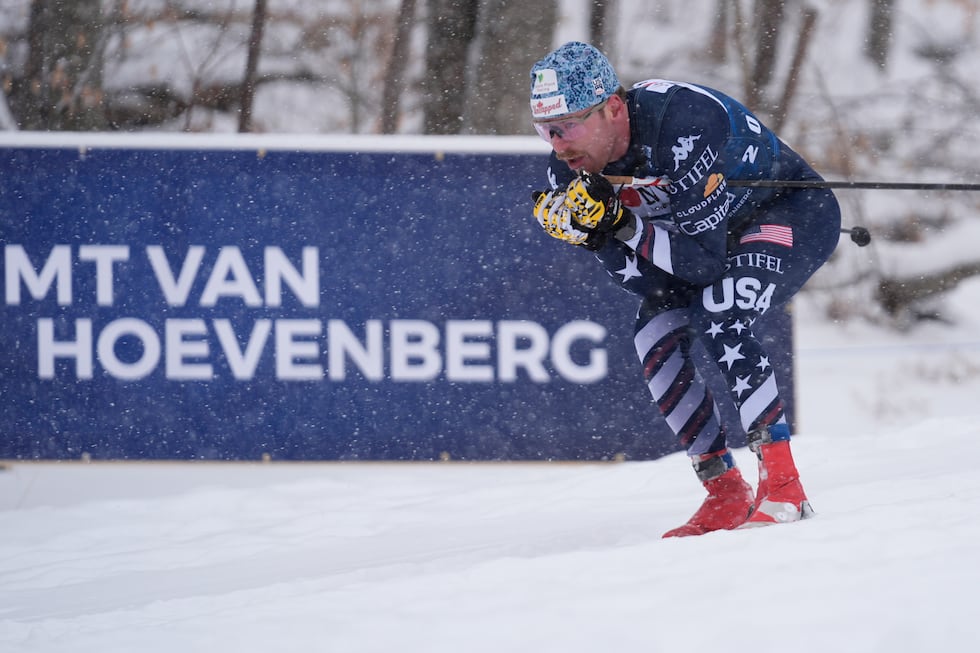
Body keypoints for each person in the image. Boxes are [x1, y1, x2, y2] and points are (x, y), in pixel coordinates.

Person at [529, 41, 841, 537]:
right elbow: (651, 283)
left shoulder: (684, 123)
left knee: (722, 311)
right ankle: (725, 492)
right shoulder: (568, 171)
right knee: (653, 333)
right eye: (546, 130)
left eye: (567, 126)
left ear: (612, 108)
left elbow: (701, 267)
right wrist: (594, 237)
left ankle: (785, 489)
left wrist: (621, 225)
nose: (558, 144)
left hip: (785, 212)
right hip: (702, 243)